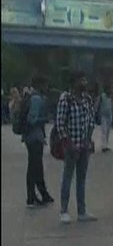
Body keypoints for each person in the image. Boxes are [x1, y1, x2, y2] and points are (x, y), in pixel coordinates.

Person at [55, 72, 97, 224]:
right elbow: (60, 123)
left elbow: (91, 120)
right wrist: (68, 143)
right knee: (67, 177)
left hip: (84, 145)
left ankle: (82, 211)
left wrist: (88, 139)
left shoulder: (87, 99)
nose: (85, 82)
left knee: (81, 179)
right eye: (82, 80)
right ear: (74, 82)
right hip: (71, 146)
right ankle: (64, 211)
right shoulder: (65, 99)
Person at [21, 76, 54, 207]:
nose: (47, 88)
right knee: (34, 167)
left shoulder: (32, 97)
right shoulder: (36, 99)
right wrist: (44, 119)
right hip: (34, 137)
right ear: (41, 84)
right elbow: (32, 119)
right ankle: (31, 197)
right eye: (45, 84)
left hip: (32, 136)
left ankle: (42, 193)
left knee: (36, 166)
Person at [97, 86, 113, 153]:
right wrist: (97, 114)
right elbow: (98, 105)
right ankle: (103, 146)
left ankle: (106, 145)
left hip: (109, 116)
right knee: (104, 131)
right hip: (103, 115)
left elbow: (112, 107)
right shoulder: (101, 97)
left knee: (108, 132)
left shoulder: (111, 97)